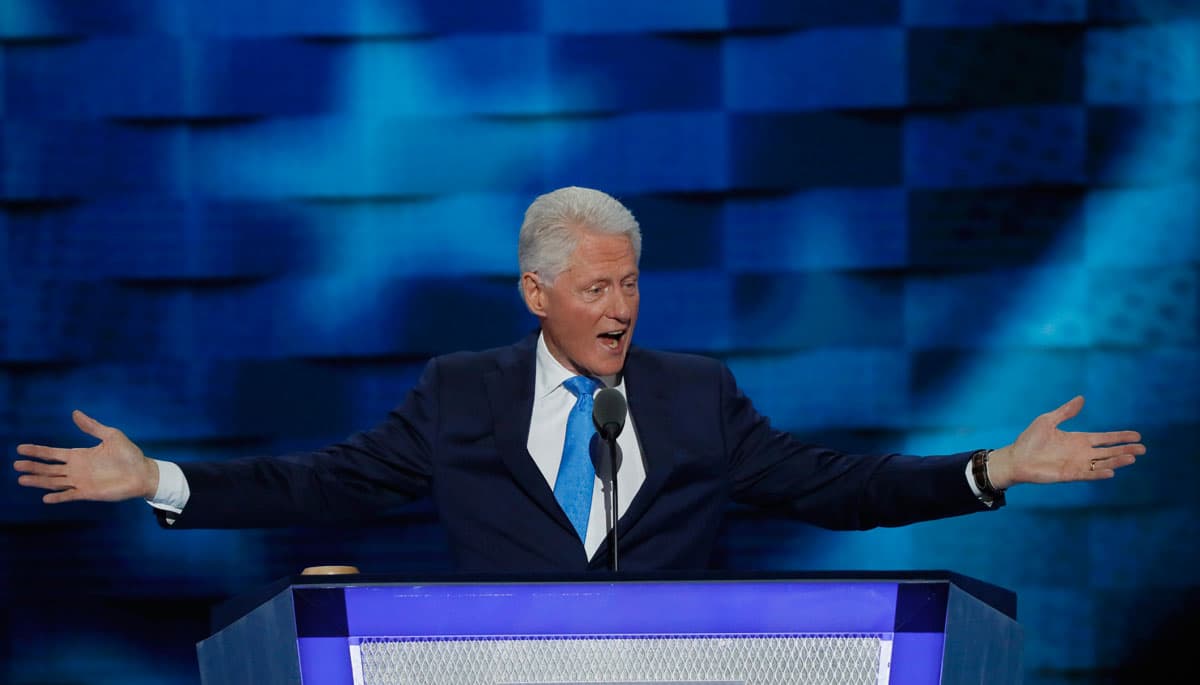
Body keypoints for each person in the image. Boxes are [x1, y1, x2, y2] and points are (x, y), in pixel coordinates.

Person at [13, 186, 1144, 572]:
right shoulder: (461, 393)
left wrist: (992, 466)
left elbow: (831, 486)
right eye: (598, 288)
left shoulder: (696, 392)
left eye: (633, 284)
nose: (623, 308)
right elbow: (321, 487)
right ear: (537, 294)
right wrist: (157, 476)